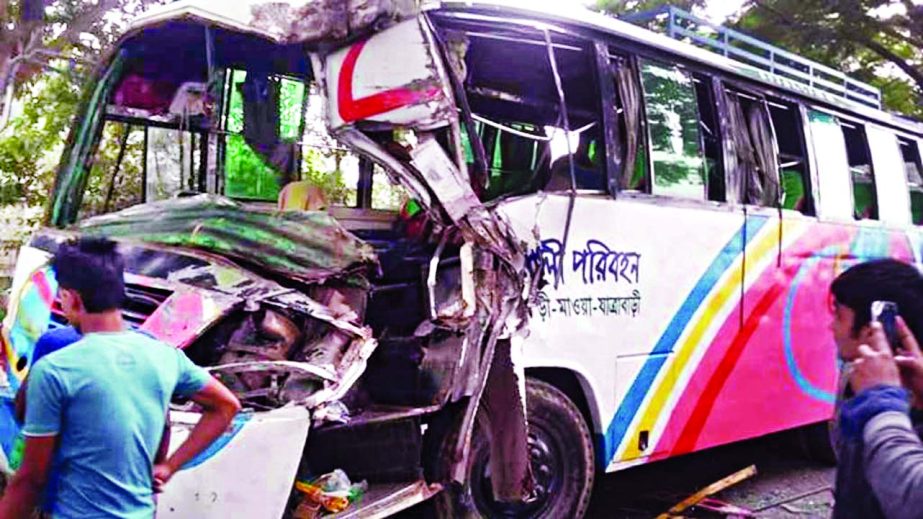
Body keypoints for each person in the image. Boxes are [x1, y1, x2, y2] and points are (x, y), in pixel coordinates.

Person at [0, 238, 241, 518]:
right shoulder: (163, 354)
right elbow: (226, 406)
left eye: (61, 296)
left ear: (72, 297)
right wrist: (169, 467)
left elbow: (30, 478)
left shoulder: (56, 366)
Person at [829, 258, 923, 518]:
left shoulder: (880, 402)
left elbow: (912, 496)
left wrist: (880, 404)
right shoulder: (858, 386)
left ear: (874, 326)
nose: (831, 326)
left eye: (838, 314)